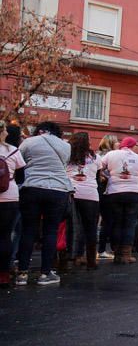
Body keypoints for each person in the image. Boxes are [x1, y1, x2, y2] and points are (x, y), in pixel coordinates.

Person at [17, 121, 71, 286]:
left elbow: (20, 161)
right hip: (57, 189)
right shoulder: (65, 146)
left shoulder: (28, 142)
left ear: (40, 130)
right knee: (51, 231)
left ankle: (22, 273)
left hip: (32, 187)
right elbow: (64, 165)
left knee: (28, 230)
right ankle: (45, 273)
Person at [101, 137, 138, 264]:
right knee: (130, 223)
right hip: (134, 192)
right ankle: (126, 254)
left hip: (115, 192)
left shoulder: (111, 154)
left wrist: (107, 176)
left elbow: (100, 166)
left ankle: (117, 254)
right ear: (132, 146)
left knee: (117, 222)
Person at [66, 132, 100, 270]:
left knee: (69, 227)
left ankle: (66, 259)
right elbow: (98, 171)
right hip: (90, 194)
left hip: (71, 193)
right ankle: (91, 261)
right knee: (90, 228)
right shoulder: (95, 157)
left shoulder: (67, 155)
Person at [0, 121, 26, 287]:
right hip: (9, 197)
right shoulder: (13, 150)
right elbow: (21, 178)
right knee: (4, 236)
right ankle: (3, 275)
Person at [96, 135, 119, 259]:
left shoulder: (98, 154)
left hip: (98, 190)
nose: (118, 143)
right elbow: (103, 172)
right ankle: (102, 249)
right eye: (116, 142)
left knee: (104, 219)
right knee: (108, 220)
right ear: (111, 143)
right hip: (106, 190)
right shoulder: (110, 156)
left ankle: (101, 249)